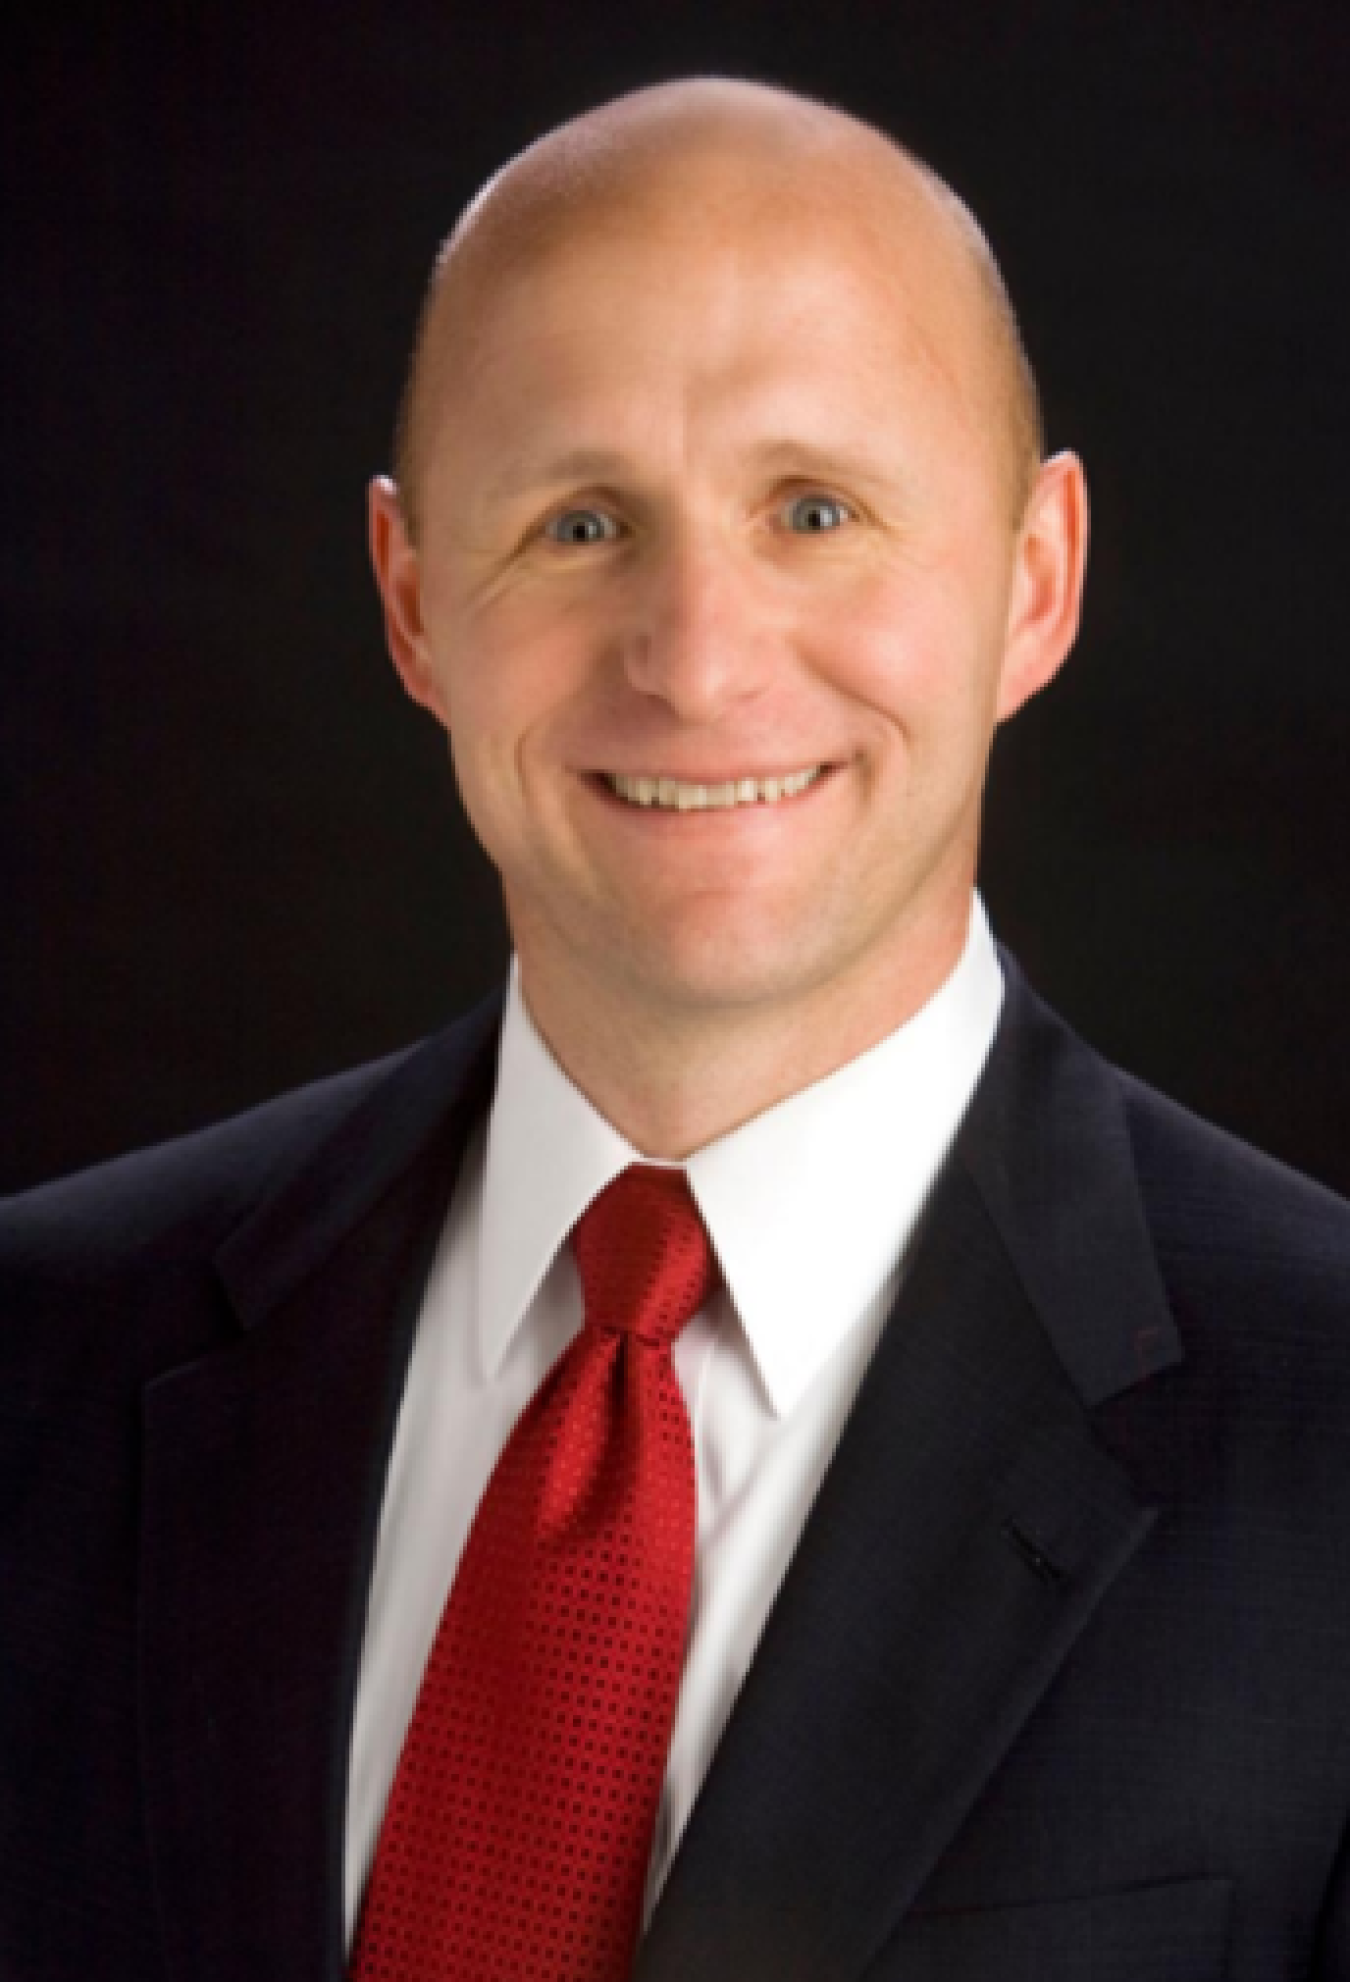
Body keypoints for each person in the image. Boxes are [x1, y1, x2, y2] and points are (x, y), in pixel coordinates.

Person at [3, 73, 1350, 1982]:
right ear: (408, 602)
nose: (698, 656)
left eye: (817, 510)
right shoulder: (40, 1359)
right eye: (575, 524)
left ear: (1033, 581)